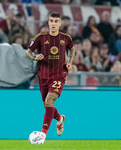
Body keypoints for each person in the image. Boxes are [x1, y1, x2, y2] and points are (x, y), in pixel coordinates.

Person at [26, 12, 75, 144]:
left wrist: (70, 61)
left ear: (60, 23)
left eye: (56, 21)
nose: (53, 24)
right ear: (48, 22)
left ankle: (43, 134)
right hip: (43, 76)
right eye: (51, 21)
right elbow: (28, 52)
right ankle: (60, 119)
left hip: (59, 75)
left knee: (49, 101)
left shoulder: (66, 38)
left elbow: (72, 49)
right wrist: (35, 57)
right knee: (48, 106)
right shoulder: (41, 37)